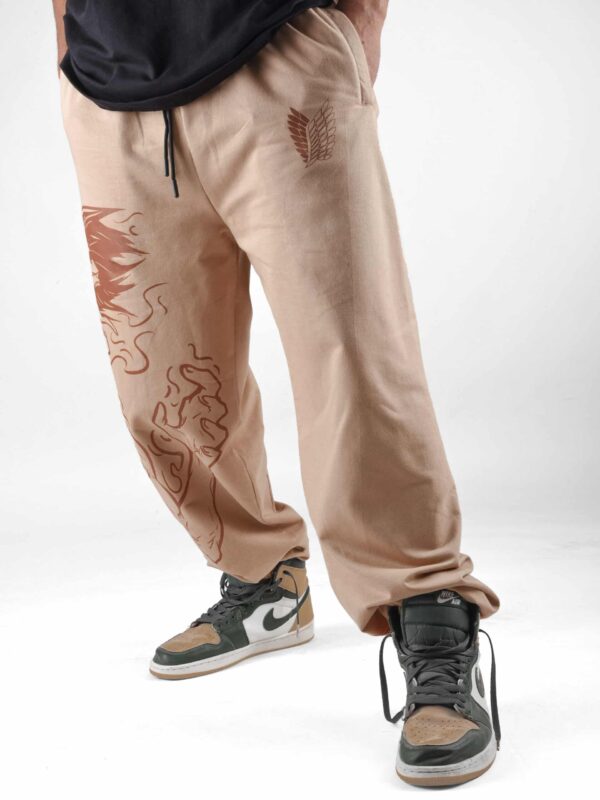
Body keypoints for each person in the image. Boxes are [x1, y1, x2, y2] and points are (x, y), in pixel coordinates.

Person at [52, 0, 502, 786]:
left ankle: (430, 614)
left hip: (276, 53)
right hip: (108, 85)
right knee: (161, 374)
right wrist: (68, 49)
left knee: (354, 360)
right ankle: (265, 579)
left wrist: (356, 31)